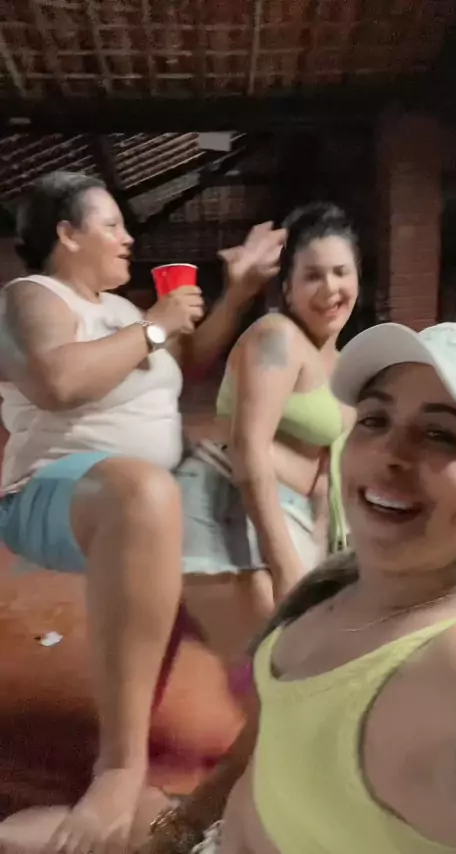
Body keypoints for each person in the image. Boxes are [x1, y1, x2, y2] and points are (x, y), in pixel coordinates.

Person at [0, 171, 284, 854]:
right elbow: (58, 380)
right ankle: (120, 766)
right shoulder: (31, 297)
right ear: (67, 235)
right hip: (56, 493)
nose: (128, 238)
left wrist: (237, 291)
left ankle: (261, 745)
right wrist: (156, 325)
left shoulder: (125, 311)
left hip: (150, 495)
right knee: (144, 493)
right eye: (111, 226)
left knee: (244, 498)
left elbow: (189, 361)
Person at [142, 319, 456, 853]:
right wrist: (183, 828)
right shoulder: (337, 585)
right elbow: (269, 736)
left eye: (441, 434)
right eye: (374, 420)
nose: (388, 452)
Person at [177, 202, 357, 617]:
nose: (329, 288)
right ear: (288, 289)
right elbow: (249, 447)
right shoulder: (277, 336)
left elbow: (326, 471)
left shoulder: (344, 363)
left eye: (340, 272)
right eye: (312, 275)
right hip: (229, 506)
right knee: (275, 650)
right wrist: (285, 566)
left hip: (291, 515)